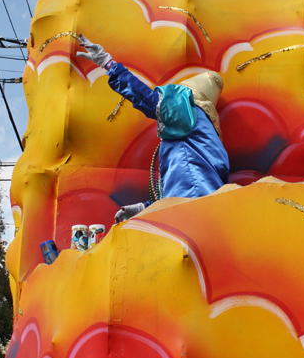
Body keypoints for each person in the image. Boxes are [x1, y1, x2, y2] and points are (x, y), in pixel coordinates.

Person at [77, 35, 229, 221]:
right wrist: (145, 207)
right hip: (208, 213)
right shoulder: (208, 137)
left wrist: (108, 64)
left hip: (188, 209)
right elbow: (189, 179)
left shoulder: (187, 110)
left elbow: (147, 99)